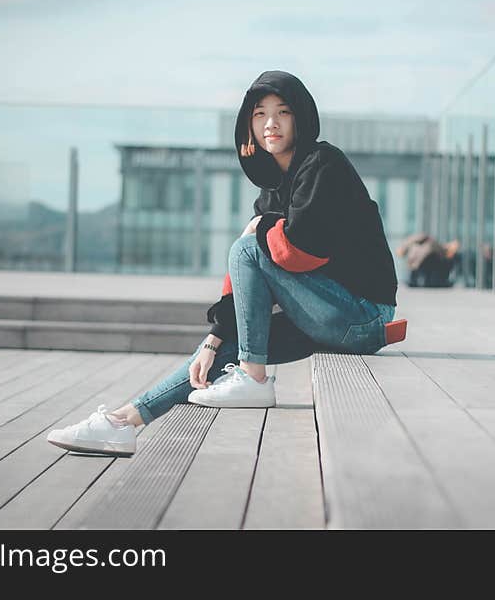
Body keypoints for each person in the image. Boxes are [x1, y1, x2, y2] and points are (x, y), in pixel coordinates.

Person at [46, 70, 399, 456]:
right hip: (330, 314)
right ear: (248, 123)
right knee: (229, 339)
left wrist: (261, 227)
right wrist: (214, 338)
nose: (271, 124)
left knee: (246, 248)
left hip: (364, 316)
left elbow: (300, 252)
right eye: (260, 114)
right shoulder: (274, 190)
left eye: (283, 112)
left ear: (301, 117)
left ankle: (253, 378)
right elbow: (252, 274)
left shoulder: (323, 164)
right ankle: (124, 421)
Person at [395, 233, 459, 287]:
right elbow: (441, 252)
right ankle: (435, 281)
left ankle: (428, 281)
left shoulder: (418, 246)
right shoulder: (427, 244)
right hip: (424, 263)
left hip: (422, 264)